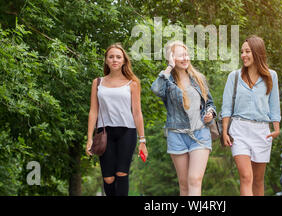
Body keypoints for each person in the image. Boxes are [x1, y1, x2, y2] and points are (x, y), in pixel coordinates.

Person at [151, 41, 216, 196]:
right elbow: (155, 89)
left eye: (186, 54)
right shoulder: (167, 82)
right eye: (180, 55)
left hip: (200, 134)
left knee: (194, 180)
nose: (185, 58)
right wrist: (169, 67)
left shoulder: (198, 78)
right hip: (177, 135)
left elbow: (210, 103)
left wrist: (210, 114)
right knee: (184, 184)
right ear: (172, 58)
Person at [221, 35, 281, 196]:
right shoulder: (233, 77)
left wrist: (276, 128)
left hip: (262, 131)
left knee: (258, 180)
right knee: (246, 176)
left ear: (257, 52)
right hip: (239, 130)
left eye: (247, 51)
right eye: (242, 52)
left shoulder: (271, 76)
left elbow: (274, 105)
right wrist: (225, 131)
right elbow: (226, 107)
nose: (243, 55)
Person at [86, 43, 148, 196]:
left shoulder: (132, 83)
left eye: (118, 57)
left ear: (124, 61)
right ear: (106, 60)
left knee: (121, 173)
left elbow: (137, 113)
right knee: (108, 178)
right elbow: (93, 111)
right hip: (104, 133)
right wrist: (89, 139)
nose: (115, 60)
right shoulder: (97, 82)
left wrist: (142, 140)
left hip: (127, 132)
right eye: (111, 57)